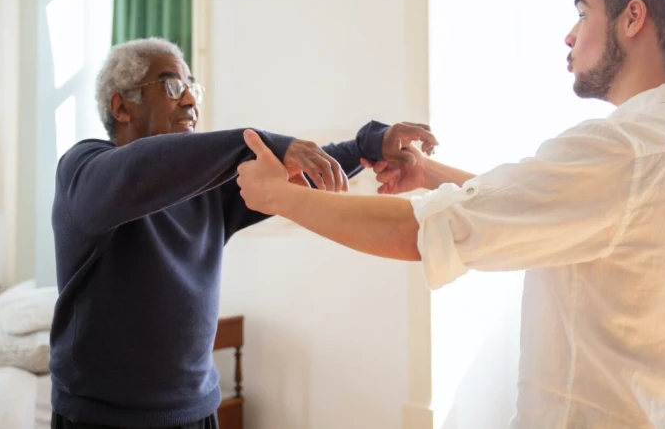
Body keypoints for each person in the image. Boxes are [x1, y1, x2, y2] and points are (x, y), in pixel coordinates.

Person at [235, 0, 665, 428]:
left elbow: (419, 233)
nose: (570, 35)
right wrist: (428, 173)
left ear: (632, 18)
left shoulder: (622, 151)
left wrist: (278, 195)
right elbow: (545, 205)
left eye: (583, 12)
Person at [49, 37, 438, 429]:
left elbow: (294, 174)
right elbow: (140, 169)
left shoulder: (204, 188)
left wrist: (366, 146)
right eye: (172, 86)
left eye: (192, 87)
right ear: (121, 107)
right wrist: (259, 143)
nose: (190, 100)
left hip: (196, 410)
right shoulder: (83, 170)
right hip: (100, 419)